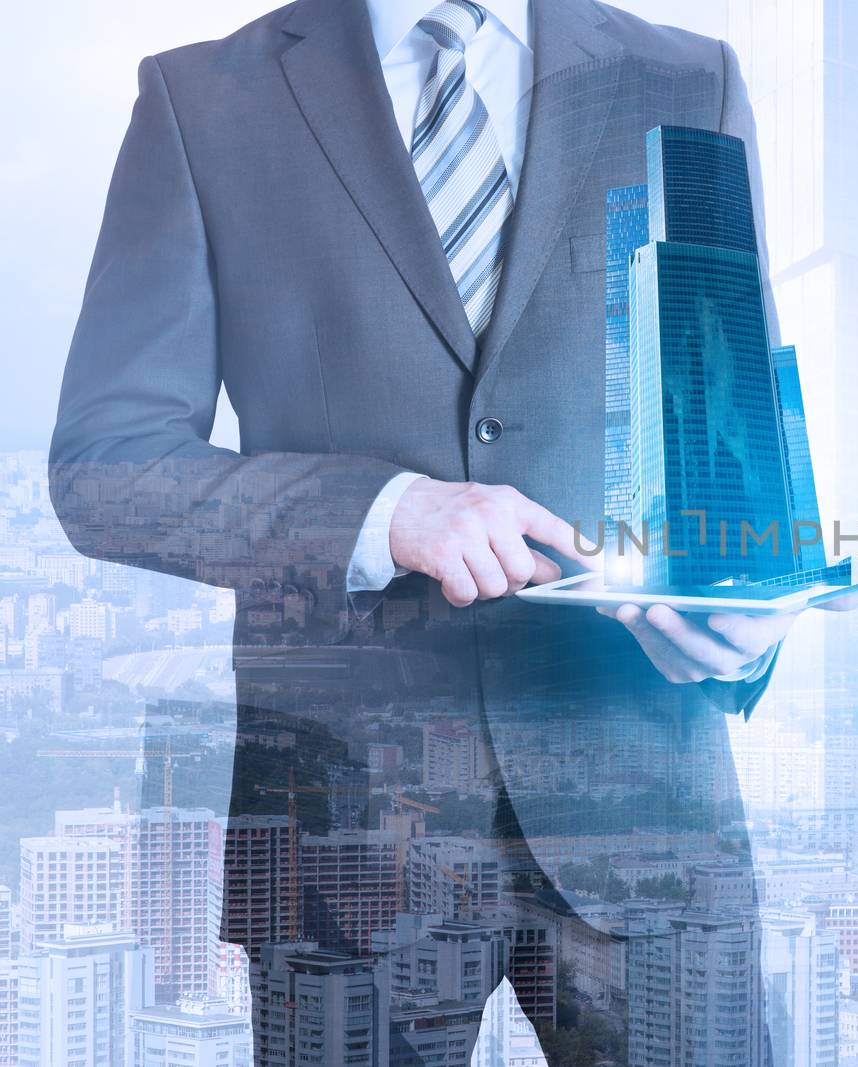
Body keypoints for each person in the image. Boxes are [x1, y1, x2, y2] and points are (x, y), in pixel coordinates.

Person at [50, 0, 806, 1059]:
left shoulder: (687, 79)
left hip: (651, 811)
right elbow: (106, 469)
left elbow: (730, 435)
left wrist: (748, 614)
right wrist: (380, 510)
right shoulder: (202, 100)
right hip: (342, 840)